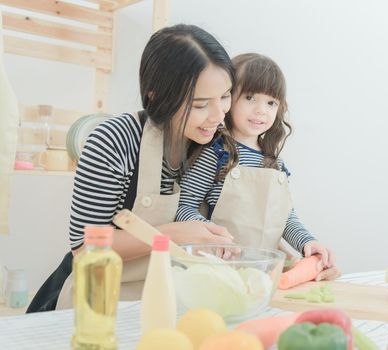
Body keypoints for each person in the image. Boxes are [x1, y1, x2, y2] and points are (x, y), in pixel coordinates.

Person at [27, 24, 236, 312]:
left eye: (225, 96)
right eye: (200, 104)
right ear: (156, 95)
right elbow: (85, 248)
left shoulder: (215, 145)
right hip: (101, 303)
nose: (218, 115)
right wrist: (172, 235)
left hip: (171, 301)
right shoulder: (114, 139)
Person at [176, 53, 340, 280]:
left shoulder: (275, 165)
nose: (261, 110)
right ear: (228, 98)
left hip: (262, 276)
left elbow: (286, 218)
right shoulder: (216, 152)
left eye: (271, 102)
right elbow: (183, 208)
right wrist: (215, 238)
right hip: (215, 271)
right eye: (250, 97)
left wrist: (307, 242)